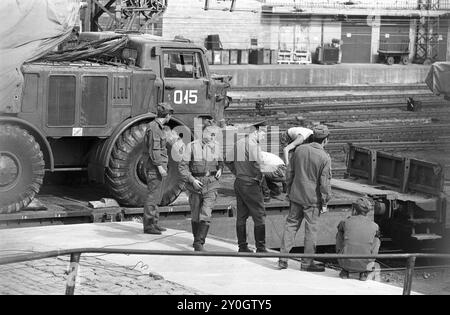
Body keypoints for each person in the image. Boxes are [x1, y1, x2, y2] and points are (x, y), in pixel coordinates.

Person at [278, 124, 332, 272]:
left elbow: (290, 173)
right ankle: (307, 263)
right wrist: (325, 201)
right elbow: (324, 184)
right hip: (312, 200)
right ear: (326, 140)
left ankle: (283, 259)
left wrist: (289, 190)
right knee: (310, 230)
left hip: (296, 195)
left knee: (291, 225)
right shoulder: (324, 158)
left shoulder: (299, 150)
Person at [179, 123, 223, 251]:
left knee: (206, 213)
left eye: (215, 135)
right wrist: (192, 180)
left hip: (211, 183)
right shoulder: (191, 147)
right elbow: (183, 166)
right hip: (195, 185)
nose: (213, 137)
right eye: (211, 134)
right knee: (195, 214)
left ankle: (199, 243)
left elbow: (221, 162)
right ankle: (196, 240)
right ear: (204, 133)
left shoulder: (216, 146)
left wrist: (220, 168)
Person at [226, 121, 268, 253]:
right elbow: (258, 166)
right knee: (259, 215)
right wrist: (265, 182)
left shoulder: (239, 143)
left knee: (241, 216)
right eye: (263, 132)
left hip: (239, 182)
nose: (264, 136)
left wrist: (237, 172)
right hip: (251, 184)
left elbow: (228, 160)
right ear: (255, 131)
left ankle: (242, 246)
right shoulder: (254, 145)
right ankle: (260, 248)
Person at [142, 103, 174, 235]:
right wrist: (160, 167)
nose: (170, 117)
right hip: (155, 168)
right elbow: (154, 150)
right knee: (152, 197)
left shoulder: (158, 127)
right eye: (170, 115)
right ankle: (149, 225)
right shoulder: (155, 128)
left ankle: (154, 223)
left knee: (156, 197)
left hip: (157, 167)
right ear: (167, 115)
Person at [336, 197, 381, 281]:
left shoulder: (345, 222)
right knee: (376, 240)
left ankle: (345, 271)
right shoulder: (375, 226)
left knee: (339, 234)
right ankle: (364, 273)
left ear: (355, 209)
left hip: (345, 263)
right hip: (365, 265)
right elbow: (377, 235)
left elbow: (339, 229)